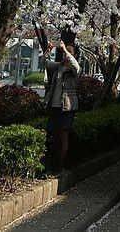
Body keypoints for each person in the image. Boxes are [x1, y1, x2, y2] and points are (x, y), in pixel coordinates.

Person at [43, 39, 80, 171]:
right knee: (53, 133)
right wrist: (48, 50)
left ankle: (61, 165)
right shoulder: (58, 67)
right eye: (63, 54)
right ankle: (52, 163)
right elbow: (45, 62)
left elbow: (76, 65)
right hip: (55, 106)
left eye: (67, 55)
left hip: (67, 107)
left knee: (63, 135)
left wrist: (65, 49)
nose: (64, 57)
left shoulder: (73, 70)